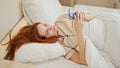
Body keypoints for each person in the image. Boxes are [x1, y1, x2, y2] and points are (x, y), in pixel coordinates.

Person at [6, 12, 95, 65]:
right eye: (47, 32)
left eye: (45, 25)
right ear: (45, 39)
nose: (50, 27)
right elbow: (82, 60)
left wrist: (84, 16)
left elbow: (93, 16)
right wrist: (79, 32)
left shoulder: (61, 19)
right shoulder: (63, 47)